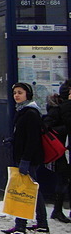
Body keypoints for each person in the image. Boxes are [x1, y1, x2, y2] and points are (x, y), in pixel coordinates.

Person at [1, 82, 49, 234]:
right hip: (26, 157)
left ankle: (20, 226)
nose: (16, 95)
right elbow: (24, 135)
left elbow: (32, 140)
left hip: (28, 158)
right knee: (33, 189)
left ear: (27, 94)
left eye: (20, 92)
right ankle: (41, 223)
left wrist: (25, 160)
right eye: (15, 92)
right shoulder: (23, 111)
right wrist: (13, 140)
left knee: (24, 190)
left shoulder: (30, 113)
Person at [45, 80, 71, 223]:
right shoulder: (59, 108)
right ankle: (57, 209)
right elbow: (48, 128)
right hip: (63, 150)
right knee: (63, 180)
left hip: (64, 149)